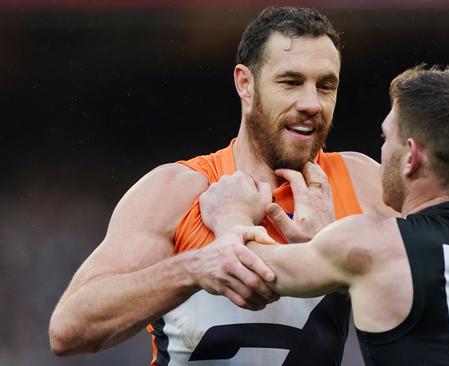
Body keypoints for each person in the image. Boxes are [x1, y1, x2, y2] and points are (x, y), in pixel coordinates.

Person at [49, 6, 395, 366]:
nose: (311, 103)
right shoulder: (177, 191)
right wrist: (196, 268)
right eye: (290, 82)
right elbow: (69, 329)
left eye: (326, 86)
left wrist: (337, 250)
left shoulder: (363, 184)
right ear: (245, 84)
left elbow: (439, 306)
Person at [201, 65, 449, 366]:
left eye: (386, 138)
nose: (381, 151)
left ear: (411, 157)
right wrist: (327, 245)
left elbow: (252, 269)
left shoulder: (374, 242)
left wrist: (231, 216)